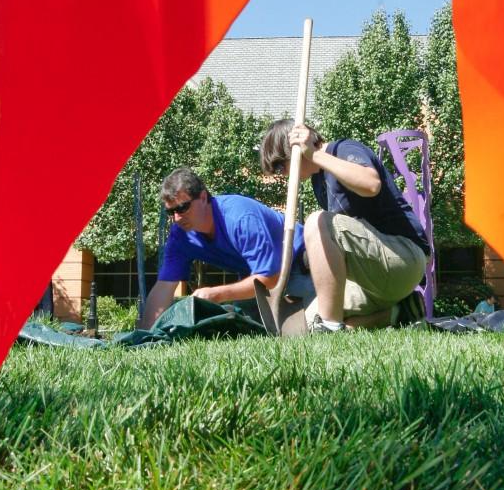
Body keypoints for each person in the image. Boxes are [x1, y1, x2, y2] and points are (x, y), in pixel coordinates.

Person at [260, 120, 430, 332]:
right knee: (308, 323)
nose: (282, 174)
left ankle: (331, 325)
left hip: (404, 258)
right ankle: (399, 312)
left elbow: (371, 184)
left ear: (295, 148)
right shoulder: (318, 181)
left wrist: (314, 154)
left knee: (317, 221)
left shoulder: (344, 149)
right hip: (372, 277)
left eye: (279, 166)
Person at [140, 167, 311, 329]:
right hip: (258, 278)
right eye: (171, 212)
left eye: (183, 208)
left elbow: (270, 278)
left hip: (303, 263)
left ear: (203, 197)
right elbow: (164, 287)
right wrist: (148, 335)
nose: (177, 218)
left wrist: (217, 294)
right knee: (242, 331)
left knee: (311, 328)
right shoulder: (181, 236)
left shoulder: (240, 218)